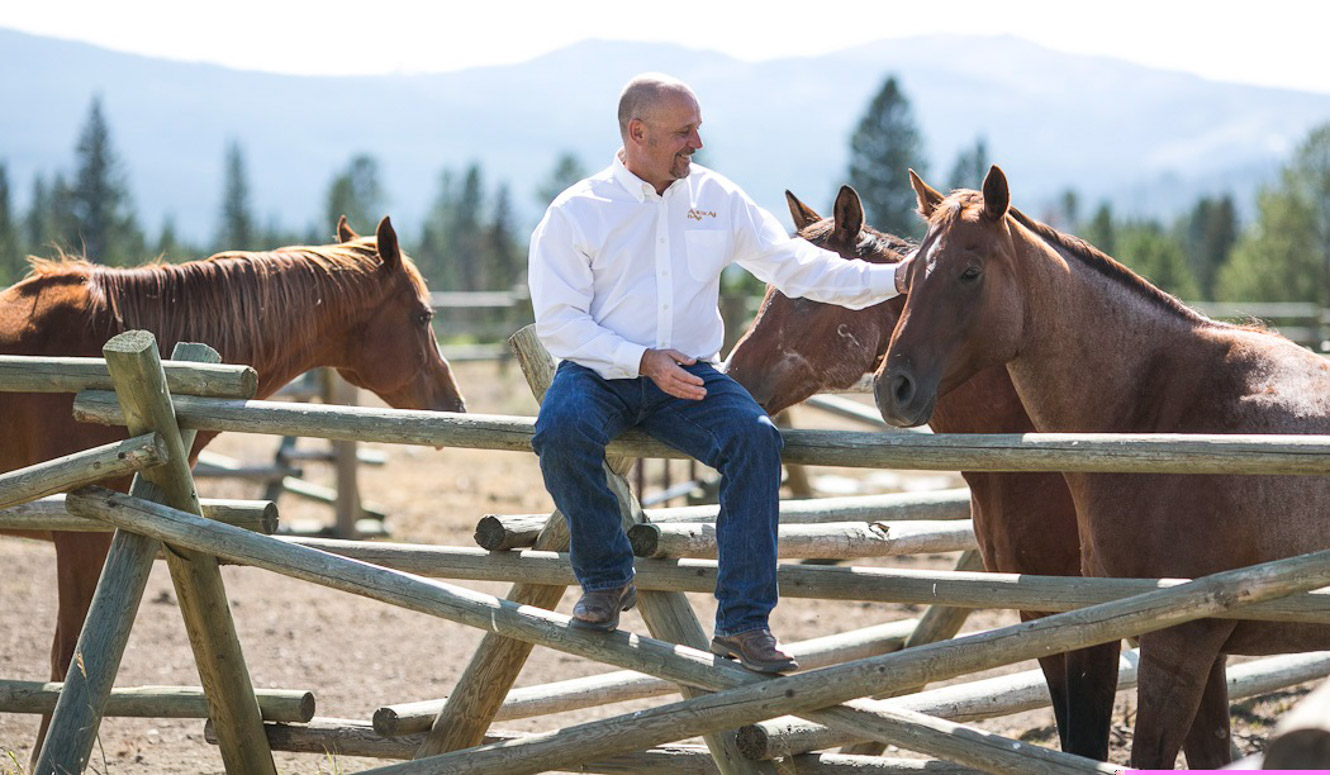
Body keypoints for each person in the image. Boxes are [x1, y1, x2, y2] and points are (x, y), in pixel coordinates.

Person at [528, 73, 909, 673]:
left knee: (755, 440)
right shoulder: (576, 213)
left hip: (690, 375)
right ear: (637, 133)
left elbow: (797, 266)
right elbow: (558, 323)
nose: (697, 143)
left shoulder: (718, 199)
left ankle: (742, 624)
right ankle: (605, 578)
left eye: (698, 128)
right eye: (685, 132)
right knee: (558, 431)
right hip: (599, 371)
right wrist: (641, 360)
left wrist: (893, 280)